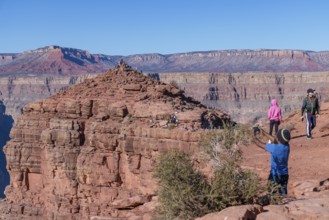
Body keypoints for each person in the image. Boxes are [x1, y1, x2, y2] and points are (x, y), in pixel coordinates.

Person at [266, 128, 291, 195]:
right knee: (283, 191)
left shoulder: (274, 147)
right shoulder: (287, 146)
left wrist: (269, 140)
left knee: (271, 190)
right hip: (285, 174)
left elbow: (267, 146)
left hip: (275, 174)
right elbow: (278, 143)